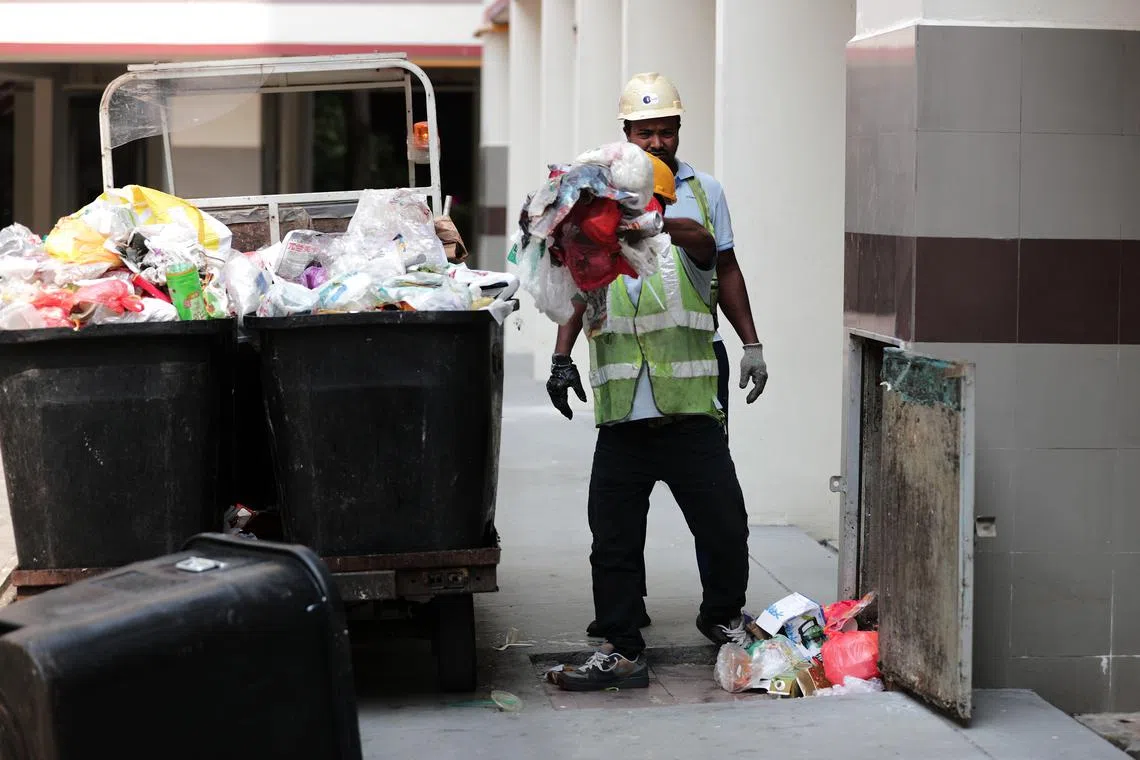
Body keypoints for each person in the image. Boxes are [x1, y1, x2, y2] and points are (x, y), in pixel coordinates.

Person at [553, 72, 769, 639]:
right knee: (614, 529)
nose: (655, 143)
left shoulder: (705, 192)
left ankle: (720, 615)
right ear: (625, 133)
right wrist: (560, 356)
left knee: (722, 523)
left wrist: (751, 343)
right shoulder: (594, 198)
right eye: (644, 132)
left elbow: (718, 259)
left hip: (692, 396)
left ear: (678, 130)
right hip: (623, 399)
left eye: (665, 132)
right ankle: (622, 632)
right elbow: (581, 282)